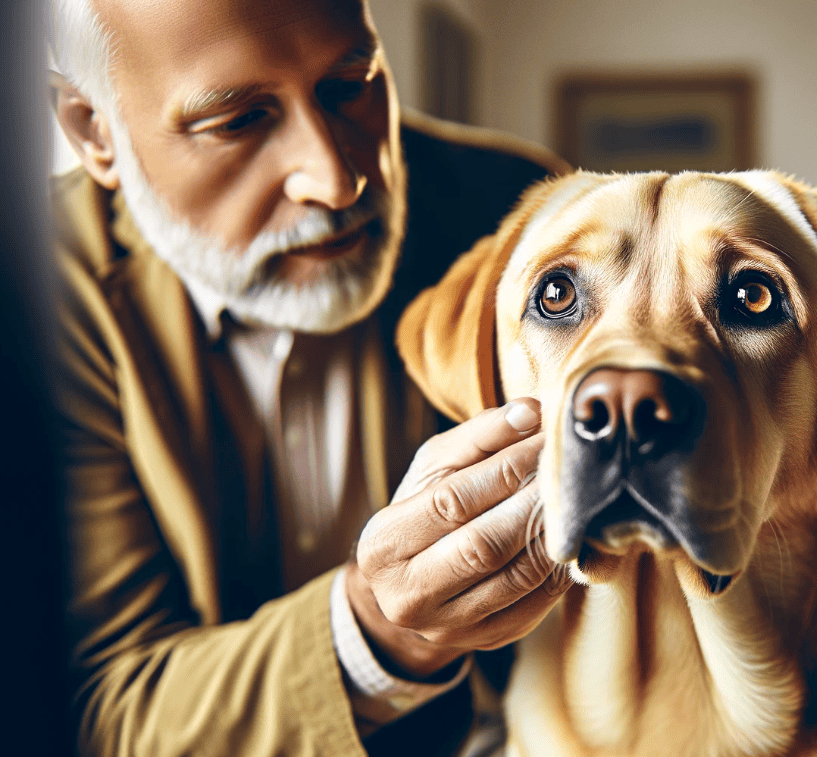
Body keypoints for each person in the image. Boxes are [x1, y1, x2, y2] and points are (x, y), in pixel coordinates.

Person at [48, 0, 572, 754]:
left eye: (350, 84)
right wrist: (376, 634)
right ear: (92, 130)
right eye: (238, 121)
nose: (337, 181)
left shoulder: (515, 215)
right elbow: (98, 709)